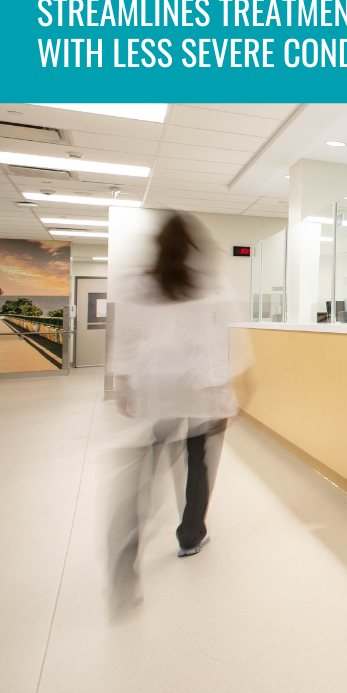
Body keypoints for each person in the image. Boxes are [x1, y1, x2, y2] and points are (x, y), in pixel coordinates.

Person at [106, 212, 250, 614]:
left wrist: (123, 383)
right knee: (198, 462)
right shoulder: (211, 281)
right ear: (194, 246)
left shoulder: (138, 282)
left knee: (147, 462)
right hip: (200, 384)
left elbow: (126, 337)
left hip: (157, 385)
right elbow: (230, 334)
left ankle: (128, 549)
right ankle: (190, 535)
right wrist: (237, 384)